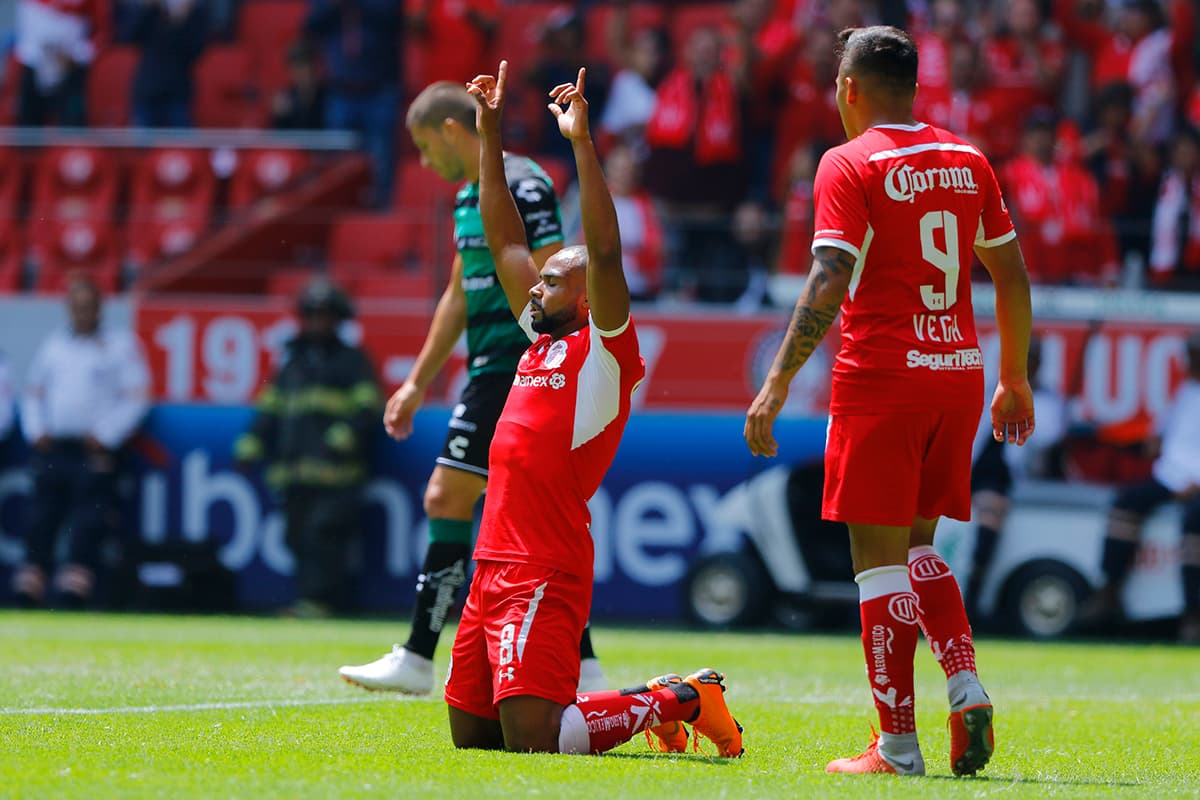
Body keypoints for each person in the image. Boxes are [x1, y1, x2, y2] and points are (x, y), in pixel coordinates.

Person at [744, 26, 1034, 776]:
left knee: (877, 565)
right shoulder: (968, 158)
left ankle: (898, 746)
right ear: (913, 87)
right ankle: (964, 683)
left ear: (848, 89)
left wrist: (776, 381)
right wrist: (1015, 378)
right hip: (958, 374)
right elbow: (1010, 273)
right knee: (918, 547)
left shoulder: (847, 162)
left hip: (882, 378)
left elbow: (829, 275)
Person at [444, 61, 742, 758]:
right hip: (491, 561)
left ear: (584, 300)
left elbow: (605, 254)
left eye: (551, 282)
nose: (535, 287)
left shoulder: (605, 355)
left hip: (544, 567)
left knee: (534, 740)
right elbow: (505, 243)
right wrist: (490, 134)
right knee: (474, 738)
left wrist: (581, 143)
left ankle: (681, 698)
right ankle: (662, 701)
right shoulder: (539, 342)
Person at [336, 80, 603, 694]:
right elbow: (458, 295)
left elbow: (558, 277)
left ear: (453, 131)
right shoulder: (467, 198)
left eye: (426, 146)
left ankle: (418, 656)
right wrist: (415, 383)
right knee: (524, 514)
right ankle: (583, 664)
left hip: (518, 365)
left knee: (447, 497)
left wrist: (551, 361)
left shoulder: (524, 184)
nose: (424, 161)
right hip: (488, 367)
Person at [234, 279, 381, 618]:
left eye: (325, 315)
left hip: (338, 477)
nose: (318, 322)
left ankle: (320, 603)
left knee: (323, 536)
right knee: (296, 537)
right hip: (295, 474)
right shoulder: (292, 364)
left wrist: (347, 434)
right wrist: (251, 442)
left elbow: (368, 408)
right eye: (313, 315)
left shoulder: (353, 361)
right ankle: (311, 601)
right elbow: (270, 411)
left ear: (338, 320)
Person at [12, 273, 150, 608]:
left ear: (100, 308)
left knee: (89, 521)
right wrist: (36, 430)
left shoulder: (120, 345)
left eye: (88, 306)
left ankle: (73, 593)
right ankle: (30, 589)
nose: (82, 313)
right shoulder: (55, 345)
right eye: (76, 306)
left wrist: (107, 434)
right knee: (41, 517)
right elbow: (33, 394)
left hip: (94, 450)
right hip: (55, 447)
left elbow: (137, 398)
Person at [1082, 331, 1200, 644]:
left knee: (1194, 525)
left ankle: (1193, 614)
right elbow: (1157, 438)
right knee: (1125, 503)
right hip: (1171, 476)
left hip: (1194, 482)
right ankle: (1110, 590)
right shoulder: (1185, 392)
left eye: (1195, 355)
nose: (1190, 362)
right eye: (1190, 355)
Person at [124, 0, 208, 128]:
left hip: (178, 91)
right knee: (142, 138)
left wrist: (180, 21)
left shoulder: (195, 12)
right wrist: (147, 8)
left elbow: (196, 51)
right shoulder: (151, 11)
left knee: (181, 139)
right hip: (147, 90)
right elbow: (129, 36)